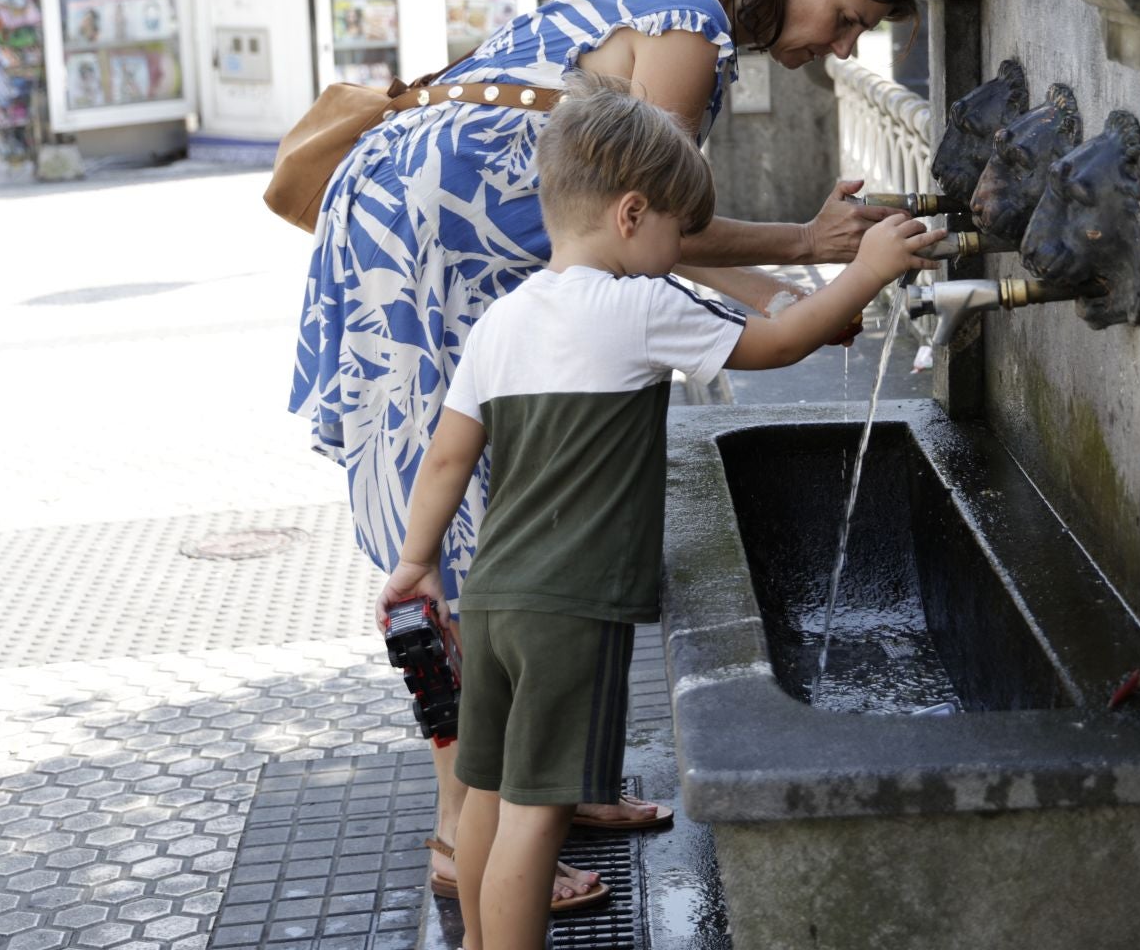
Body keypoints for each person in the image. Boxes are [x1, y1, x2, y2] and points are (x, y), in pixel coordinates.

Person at [288, 0, 917, 905]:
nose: (843, 47)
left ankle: (542, 788)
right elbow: (651, 221)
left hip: (457, 238)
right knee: (463, 538)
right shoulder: (692, 28)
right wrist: (804, 256)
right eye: (846, 18)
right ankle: (466, 833)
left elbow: (646, 235)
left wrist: (796, 275)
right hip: (420, 243)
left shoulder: (684, 1)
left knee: (491, 515)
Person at [374, 82, 942, 948]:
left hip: (490, 596)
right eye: (678, 231)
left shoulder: (501, 322)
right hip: (575, 605)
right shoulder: (640, 306)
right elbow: (777, 343)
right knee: (539, 813)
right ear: (632, 214)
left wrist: (415, 564)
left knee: (486, 796)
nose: (682, 249)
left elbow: (447, 458)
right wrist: (864, 273)